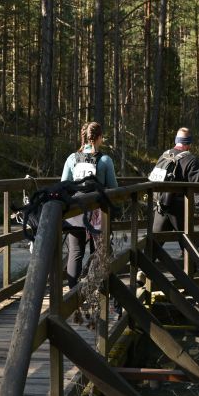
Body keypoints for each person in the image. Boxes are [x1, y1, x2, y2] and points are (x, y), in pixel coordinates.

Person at [61, 122, 118, 288]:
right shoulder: (105, 160)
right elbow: (114, 189)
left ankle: (72, 293)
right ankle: (97, 289)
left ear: (84, 137)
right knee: (98, 252)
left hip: (76, 212)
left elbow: (64, 184)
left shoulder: (72, 159)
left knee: (75, 253)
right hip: (98, 214)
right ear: (99, 137)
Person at [151, 128, 199, 236]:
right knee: (188, 246)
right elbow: (197, 186)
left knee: (154, 246)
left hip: (161, 206)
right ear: (189, 143)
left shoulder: (164, 156)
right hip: (180, 209)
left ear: (176, 140)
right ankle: (186, 253)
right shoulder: (191, 160)